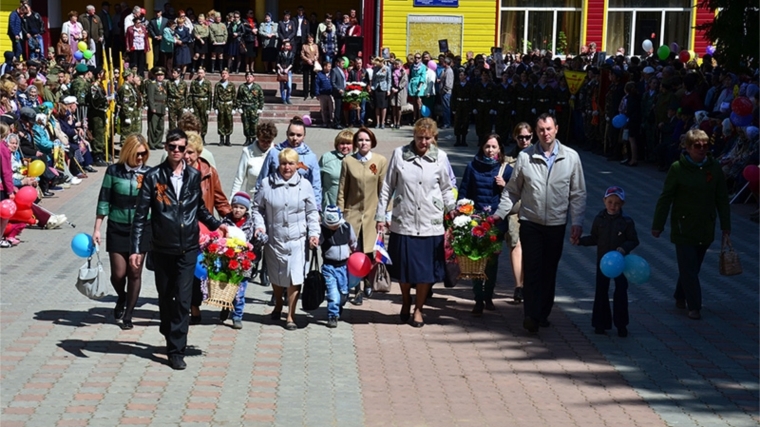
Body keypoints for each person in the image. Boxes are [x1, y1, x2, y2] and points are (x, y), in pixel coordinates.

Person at [130, 128, 227, 370]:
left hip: (188, 248)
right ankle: (168, 329)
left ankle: (176, 350)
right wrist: (136, 249)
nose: (177, 151)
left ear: (186, 151)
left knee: (183, 300)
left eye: (181, 148)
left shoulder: (193, 176)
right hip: (163, 248)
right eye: (172, 147)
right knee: (166, 297)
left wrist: (218, 225)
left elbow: (200, 210)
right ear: (166, 148)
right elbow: (141, 215)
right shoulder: (153, 177)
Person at [494, 113, 586, 334]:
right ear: (536, 133)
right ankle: (531, 315)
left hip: (556, 223)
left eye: (549, 129)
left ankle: (543, 312)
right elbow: (512, 190)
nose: (545, 133)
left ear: (556, 129)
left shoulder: (571, 157)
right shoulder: (525, 157)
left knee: (548, 270)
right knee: (533, 268)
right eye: (541, 130)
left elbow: (578, 193)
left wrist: (577, 222)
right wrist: (499, 214)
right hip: (531, 221)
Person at [376, 118, 455, 327]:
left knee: (424, 272)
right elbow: (387, 187)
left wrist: (453, 211)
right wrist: (380, 216)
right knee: (404, 270)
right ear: (414, 136)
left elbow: (447, 188)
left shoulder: (441, 158)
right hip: (404, 221)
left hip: (430, 223)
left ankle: (418, 309)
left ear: (434, 138)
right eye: (420, 137)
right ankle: (405, 300)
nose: (423, 142)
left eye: (428, 138)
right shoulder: (399, 154)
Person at [652, 129, 731, 321]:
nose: (702, 149)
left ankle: (680, 294)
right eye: (697, 146)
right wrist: (658, 224)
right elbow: (666, 197)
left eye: (705, 145)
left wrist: (726, 227)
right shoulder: (678, 168)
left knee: (693, 266)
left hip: (705, 226)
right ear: (687, 148)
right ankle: (694, 306)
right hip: (684, 226)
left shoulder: (714, 168)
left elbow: (721, 198)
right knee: (689, 266)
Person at [252, 147, 320, 331]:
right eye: (283, 163)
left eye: (291, 163)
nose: (287, 167)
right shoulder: (267, 184)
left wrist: (314, 233)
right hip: (274, 239)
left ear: (297, 165)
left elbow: (312, 211)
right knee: (277, 276)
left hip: (298, 240)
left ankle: (291, 315)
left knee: (294, 277)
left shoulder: (304, 185)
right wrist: (260, 226)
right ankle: (278, 305)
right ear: (278, 165)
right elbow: (257, 208)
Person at [93, 134, 151, 330]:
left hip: (141, 228)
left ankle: (128, 314)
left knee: (135, 271)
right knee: (119, 274)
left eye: (144, 154)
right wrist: (97, 229)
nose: (141, 158)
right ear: (128, 152)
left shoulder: (150, 173)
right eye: (137, 154)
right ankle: (122, 296)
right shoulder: (113, 171)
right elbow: (104, 199)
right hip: (117, 227)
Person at [458, 134, 512, 316]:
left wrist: (503, 185)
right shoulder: (472, 166)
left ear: (500, 150)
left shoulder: (505, 170)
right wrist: (463, 213)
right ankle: (478, 298)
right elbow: (464, 191)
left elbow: (514, 195)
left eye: (494, 147)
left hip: (496, 220)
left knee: (492, 260)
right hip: (476, 219)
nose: (490, 150)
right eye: (487, 146)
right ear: (482, 147)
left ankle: (488, 295)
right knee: (476, 258)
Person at [183, 131, 231, 324]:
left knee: (209, 268)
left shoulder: (208, 171)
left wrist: (231, 218)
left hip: (206, 229)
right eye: (184, 151)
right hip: (184, 230)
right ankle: (194, 309)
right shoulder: (175, 171)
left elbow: (219, 198)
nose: (186, 156)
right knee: (192, 272)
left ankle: (224, 300)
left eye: (190, 152)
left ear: (199, 152)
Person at [578, 186, 639, 337]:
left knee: (620, 292)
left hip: (621, 263)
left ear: (622, 204)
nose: (613, 206)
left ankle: (621, 325)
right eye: (610, 202)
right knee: (601, 291)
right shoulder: (599, 219)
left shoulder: (626, 221)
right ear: (604, 201)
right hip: (603, 262)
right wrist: (580, 241)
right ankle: (600, 324)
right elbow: (594, 238)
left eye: (617, 203)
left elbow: (634, 240)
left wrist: (624, 248)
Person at [337, 127, 389, 305]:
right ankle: (356, 289)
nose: (363, 143)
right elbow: (342, 190)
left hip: (372, 217)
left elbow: (384, 190)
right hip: (352, 215)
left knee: (370, 252)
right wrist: (339, 214)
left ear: (372, 142)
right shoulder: (348, 161)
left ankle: (368, 281)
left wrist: (384, 215)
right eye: (360, 140)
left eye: (366, 140)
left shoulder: (380, 161)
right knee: (354, 252)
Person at [256, 116, 322, 208]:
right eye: (292, 134)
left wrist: (316, 208)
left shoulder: (310, 157)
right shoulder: (274, 153)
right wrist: (257, 205)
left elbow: (316, 185)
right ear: (286, 134)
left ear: (304, 136)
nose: (295, 138)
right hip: (275, 203)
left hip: (300, 205)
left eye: (299, 135)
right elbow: (262, 179)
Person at [504, 123, 533, 303]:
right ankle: (518, 286)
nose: (524, 141)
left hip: (534, 208)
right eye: (520, 137)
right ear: (515, 138)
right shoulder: (508, 158)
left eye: (527, 137)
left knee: (532, 247)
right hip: (514, 209)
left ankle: (529, 284)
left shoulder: (538, 156)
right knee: (516, 243)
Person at [219, 191, 256, 330]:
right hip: (227, 260)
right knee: (227, 287)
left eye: (241, 207)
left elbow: (254, 241)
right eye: (235, 206)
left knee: (240, 291)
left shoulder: (250, 223)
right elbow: (220, 236)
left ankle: (237, 316)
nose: (237, 210)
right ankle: (226, 306)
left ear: (246, 210)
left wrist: (258, 241)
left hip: (244, 263)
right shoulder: (226, 221)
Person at [320, 205, 357, 328]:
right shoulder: (323, 230)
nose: (333, 227)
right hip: (329, 267)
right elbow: (317, 241)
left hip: (344, 267)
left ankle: (338, 307)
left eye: (335, 225)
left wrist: (357, 253)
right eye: (330, 225)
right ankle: (332, 315)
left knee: (344, 293)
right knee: (333, 293)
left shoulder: (346, 227)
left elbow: (353, 243)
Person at [230, 121, 277, 196]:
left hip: (271, 199)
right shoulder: (247, 151)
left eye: (268, 141)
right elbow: (239, 179)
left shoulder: (277, 152)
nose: (265, 143)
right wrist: (232, 200)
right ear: (258, 137)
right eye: (262, 140)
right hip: (252, 198)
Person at [320, 129, 354, 209]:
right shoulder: (327, 158)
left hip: (350, 205)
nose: (345, 146)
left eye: (348, 143)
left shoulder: (356, 159)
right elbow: (317, 181)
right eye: (342, 143)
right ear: (337, 144)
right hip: (330, 204)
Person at [235, 72, 264, 146]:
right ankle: (247, 139)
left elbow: (261, 98)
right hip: (245, 108)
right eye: (247, 77)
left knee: (254, 124)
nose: (249, 78)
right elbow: (238, 98)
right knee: (246, 124)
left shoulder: (257, 87)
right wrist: (239, 107)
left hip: (254, 108)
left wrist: (260, 108)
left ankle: (253, 139)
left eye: (250, 77)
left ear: (253, 78)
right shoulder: (242, 87)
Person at [146, 67, 167, 149]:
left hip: (162, 107)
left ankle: (158, 142)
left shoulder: (164, 84)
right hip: (155, 107)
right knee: (153, 127)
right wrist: (152, 107)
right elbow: (150, 97)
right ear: (155, 76)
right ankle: (151, 143)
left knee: (160, 127)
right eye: (158, 75)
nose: (160, 77)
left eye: (162, 75)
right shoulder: (152, 85)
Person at [213, 68, 236, 146]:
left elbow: (234, 96)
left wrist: (234, 108)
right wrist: (215, 107)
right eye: (222, 73)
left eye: (225, 73)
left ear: (228, 75)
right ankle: (221, 139)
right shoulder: (218, 85)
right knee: (220, 122)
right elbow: (215, 96)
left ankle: (228, 139)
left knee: (229, 122)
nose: (224, 75)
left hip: (229, 105)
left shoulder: (231, 85)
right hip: (221, 105)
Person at [189, 67, 212, 140]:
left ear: (204, 74)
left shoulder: (207, 83)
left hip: (204, 104)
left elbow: (210, 96)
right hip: (195, 104)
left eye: (201, 73)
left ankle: (203, 136)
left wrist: (209, 108)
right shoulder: (194, 82)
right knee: (195, 121)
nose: (200, 74)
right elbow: (190, 95)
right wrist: (191, 106)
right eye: (199, 73)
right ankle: (196, 136)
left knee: (204, 120)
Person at [370, 57, 391, 129]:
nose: (377, 65)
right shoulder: (375, 68)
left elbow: (389, 79)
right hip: (376, 88)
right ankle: (378, 122)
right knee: (377, 106)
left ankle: (383, 122)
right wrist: (372, 87)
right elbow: (373, 79)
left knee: (383, 106)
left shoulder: (387, 68)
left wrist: (388, 89)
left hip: (384, 88)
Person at [389, 59, 407, 129]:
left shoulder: (403, 71)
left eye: (398, 64)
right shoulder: (392, 71)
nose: (396, 65)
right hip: (393, 90)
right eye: (395, 64)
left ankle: (398, 122)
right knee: (394, 107)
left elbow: (404, 81)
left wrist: (398, 88)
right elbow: (390, 80)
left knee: (399, 107)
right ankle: (394, 121)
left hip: (400, 90)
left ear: (401, 64)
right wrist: (392, 88)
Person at [315, 60, 334, 127]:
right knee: (324, 109)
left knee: (331, 109)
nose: (330, 68)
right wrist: (317, 93)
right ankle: (325, 122)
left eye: (330, 66)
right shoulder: (319, 75)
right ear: (324, 67)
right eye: (328, 66)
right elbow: (317, 84)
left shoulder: (332, 74)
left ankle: (331, 121)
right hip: (322, 94)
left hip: (330, 94)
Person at [300, 33, 318, 100]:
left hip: (313, 63)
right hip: (306, 63)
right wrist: (307, 60)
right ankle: (305, 93)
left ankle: (312, 93)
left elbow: (317, 54)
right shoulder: (304, 46)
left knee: (313, 78)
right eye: (309, 38)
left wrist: (313, 59)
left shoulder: (315, 46)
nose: (310, 39)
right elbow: (302, 55)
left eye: (311, 38)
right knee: (305, 79)